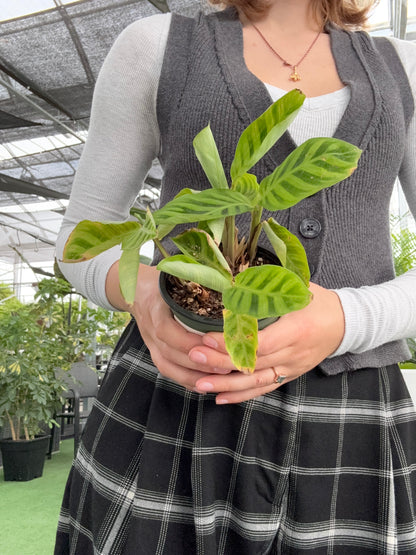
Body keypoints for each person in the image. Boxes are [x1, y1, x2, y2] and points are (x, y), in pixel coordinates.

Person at [54, 0, 416, 552]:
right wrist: (149, 295)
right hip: (175, 397)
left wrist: (346, 319)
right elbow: (80, 242)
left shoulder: (403, 67)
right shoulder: (156, 47)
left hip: (349, 416)